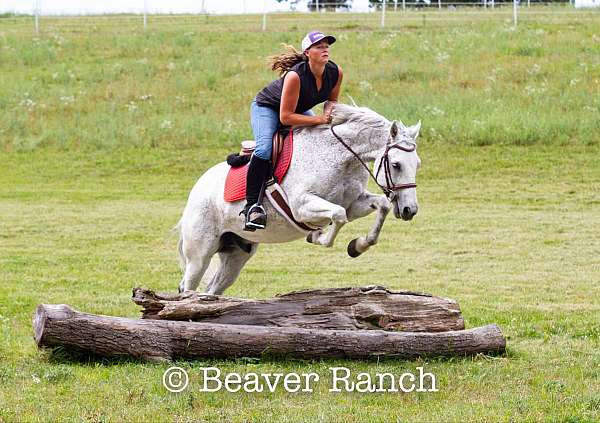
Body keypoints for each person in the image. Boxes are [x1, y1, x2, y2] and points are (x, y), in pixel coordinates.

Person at [242, 30, 344, 231]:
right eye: (319, 46)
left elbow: (332, 101)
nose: (325, 49)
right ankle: (252, 206)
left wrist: (327, 117)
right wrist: (318, 119)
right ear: (307, 52)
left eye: (327, 45)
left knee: (322, 137)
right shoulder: (295, 76)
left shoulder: (336, 72)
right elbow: (285, 117)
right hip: (268, 108)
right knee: (264, 150)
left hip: (296, 109)